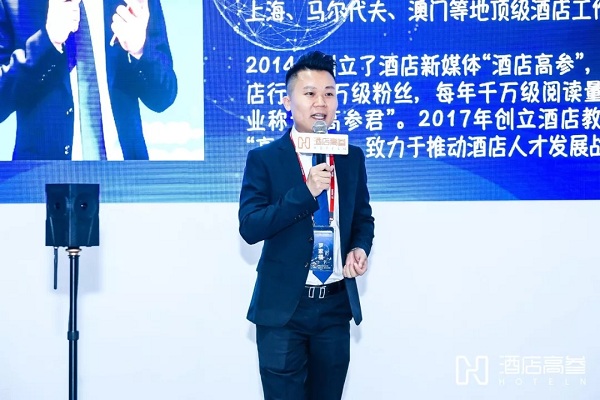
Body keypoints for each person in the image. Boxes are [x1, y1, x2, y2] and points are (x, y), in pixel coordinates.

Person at [238, 50, 375, 400]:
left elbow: (363, 218)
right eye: (310, 93)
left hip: (334, 307)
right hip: (284, 309)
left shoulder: (351, 157)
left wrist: (359, 248)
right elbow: (250, 227)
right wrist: (306, 192)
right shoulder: (264, 159)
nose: (321, 103)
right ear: (288, 102)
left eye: (329, 93)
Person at [0, 0, 177, 160]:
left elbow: (163, 97)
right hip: (43, 177)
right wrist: (48, 40)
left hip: (126, 173)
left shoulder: (137, 2)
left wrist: (140, 49)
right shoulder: (14, 4)